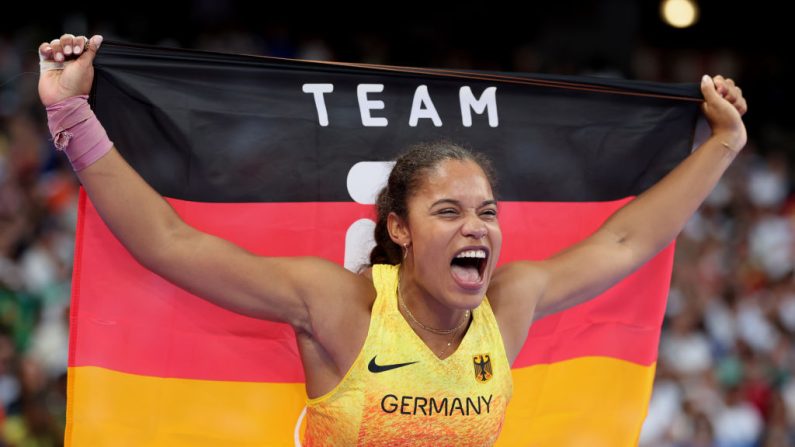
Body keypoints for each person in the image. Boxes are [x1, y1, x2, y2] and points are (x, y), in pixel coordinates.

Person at [37, 33, 748, 446]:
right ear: (399, 229)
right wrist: (70, 110)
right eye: (448, 211)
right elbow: (169, 243)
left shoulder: (509, 306)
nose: (475, 226)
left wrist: (721, 145)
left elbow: (625, 242)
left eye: (486, 211)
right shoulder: (334, 305)